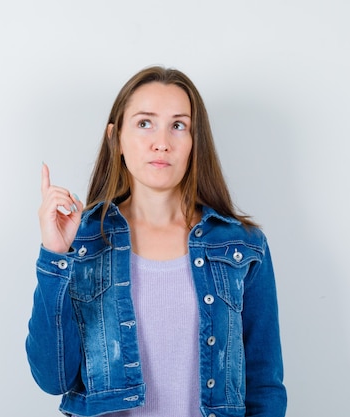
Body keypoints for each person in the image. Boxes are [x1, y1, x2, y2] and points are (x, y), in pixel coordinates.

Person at [25, 66, 287, 417]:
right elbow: (53, 378)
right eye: (145, 123)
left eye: (178, 125)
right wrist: (55, 256)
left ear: (195, 142)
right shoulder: (82, 242)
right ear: (115, 138)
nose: (161, 142)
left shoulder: (243, 247)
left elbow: (264, 384)